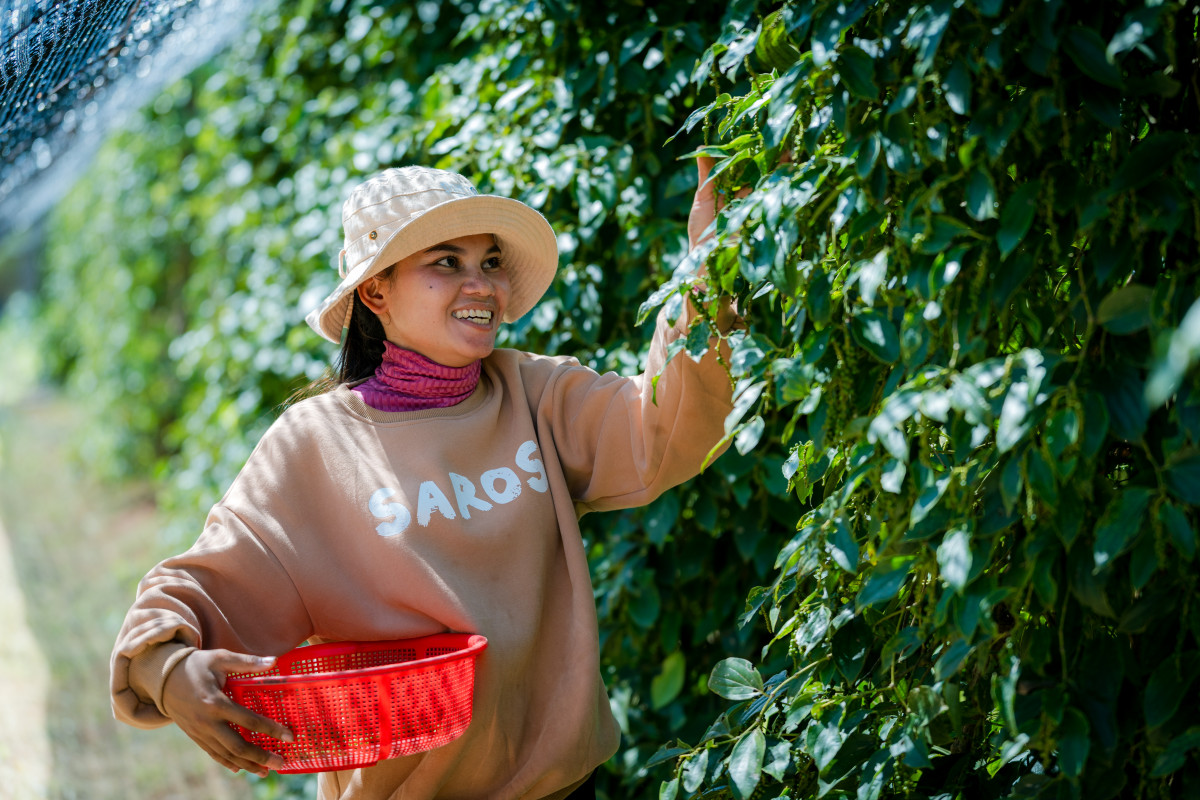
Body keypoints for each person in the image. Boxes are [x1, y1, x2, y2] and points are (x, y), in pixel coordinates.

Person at [110, 159, 738, 800]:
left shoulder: (536, 393)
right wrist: (165, 669)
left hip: (559, 789)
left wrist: (711, 263)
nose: (480, 285)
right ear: (375, 292)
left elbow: (663, 426)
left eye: (490, 262)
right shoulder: (316, 448)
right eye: (445, 262)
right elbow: (201, 585)